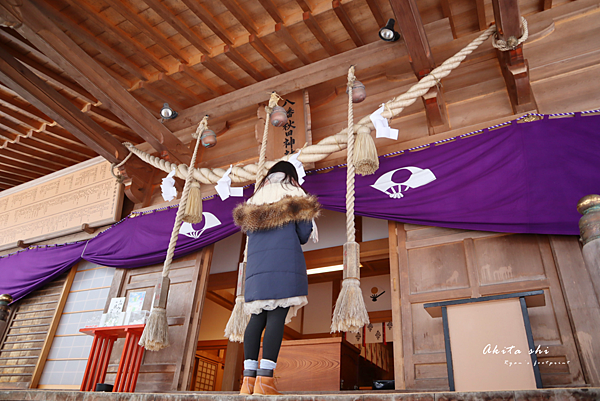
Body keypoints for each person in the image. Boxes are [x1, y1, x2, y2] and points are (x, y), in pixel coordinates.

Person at [233, 160, 320, 396]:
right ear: (292, 177)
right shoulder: (294, 193)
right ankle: (265, 381)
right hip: (284, 264)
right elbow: (303, 235)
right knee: (275, 319)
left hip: (257, 269)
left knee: (256, 319)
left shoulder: (255, 199)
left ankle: (247, 382)